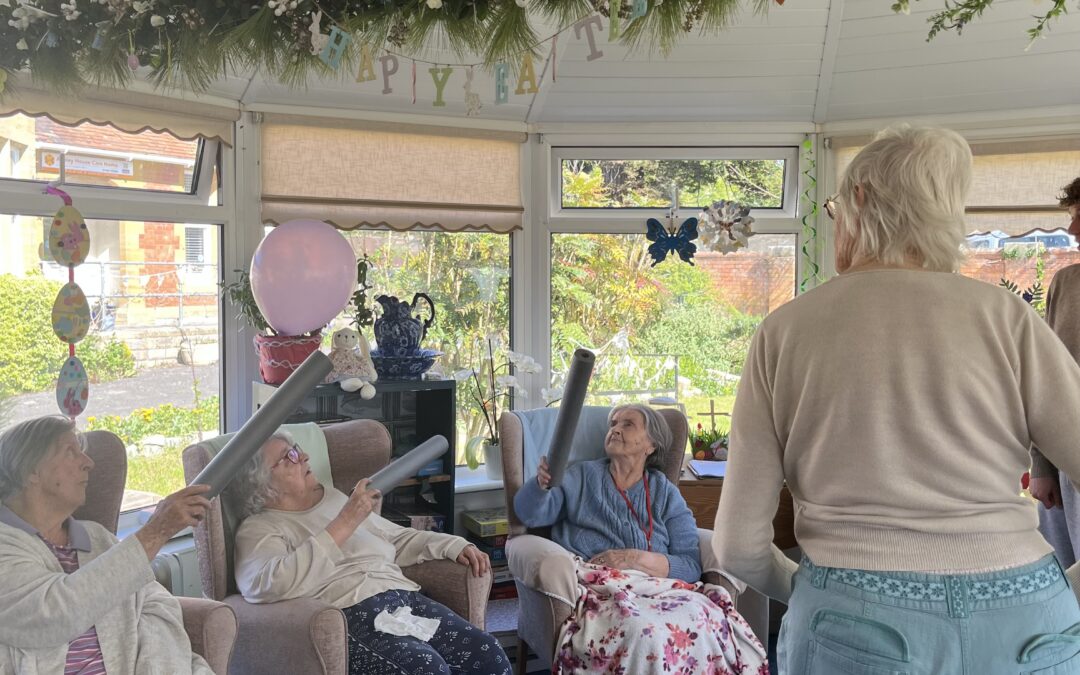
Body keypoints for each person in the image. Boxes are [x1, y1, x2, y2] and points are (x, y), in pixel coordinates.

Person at [712, 126, 1080, 675]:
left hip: (853, 620)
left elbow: (737, 545)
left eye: (834, 209)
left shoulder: (785, 332)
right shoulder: (1007, 318)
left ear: (859, 200)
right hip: (1029, 619)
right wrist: (1057, 590)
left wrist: (813, 590)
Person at [228, 431, 511, 675]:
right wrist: (346, 521)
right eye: (288, 456)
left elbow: (395, 539)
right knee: (427, 669)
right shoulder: (260, 528)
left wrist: (453, 544)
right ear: (262, 483)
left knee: (489, 655)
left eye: (297, 449)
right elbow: (264, 584)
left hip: (403, 596)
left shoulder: (333, 499)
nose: (302, 456)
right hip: (350, 611)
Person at [515, 404, 766, 674]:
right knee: (643, 632)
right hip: (600, 590)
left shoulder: (665, 492)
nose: (615, 429)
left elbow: (690, 565)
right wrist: (540, 486)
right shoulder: (581, 477)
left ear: (651, 445)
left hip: (662, 591)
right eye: (613, 424)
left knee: (704, 620)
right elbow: (530, 515)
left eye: (628, 424)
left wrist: (631, 558)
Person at [0, 415, 214, 673]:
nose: (88, 463)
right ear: (30, 470)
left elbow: (158, 606)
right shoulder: (6, 545)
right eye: (70, 452)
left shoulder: (96, 538)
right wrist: (156, 532)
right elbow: (53, 616)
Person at [1031, 176, 1080, 568]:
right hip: (1065, 470)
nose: (1073, 229)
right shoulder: (1066, 283)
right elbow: (1045, 381)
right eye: (1073, 216)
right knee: (1064, 584)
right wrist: (1042, 466)